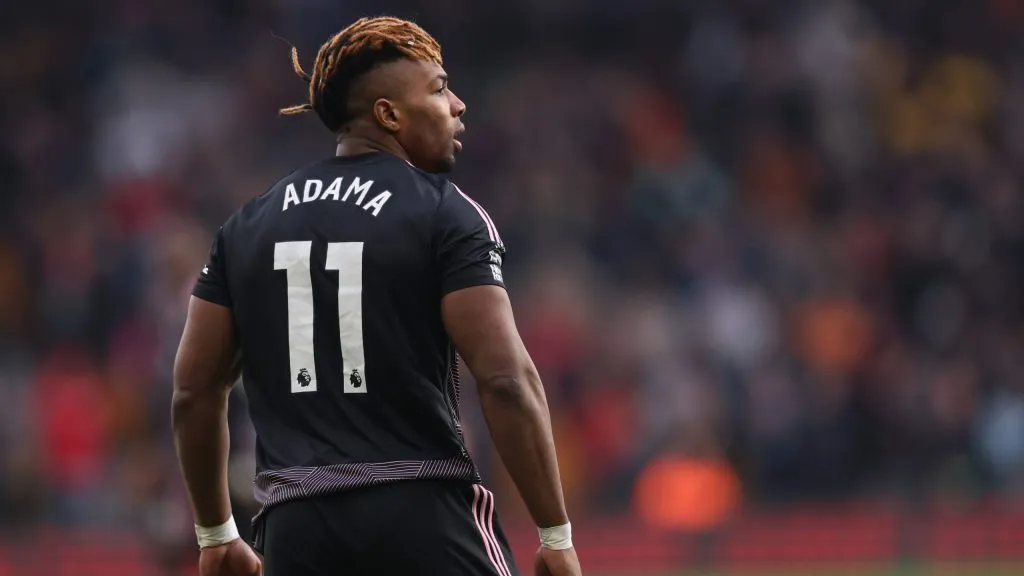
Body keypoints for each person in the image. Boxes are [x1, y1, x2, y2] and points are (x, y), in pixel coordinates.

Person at [171, 15, 582, 576]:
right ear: (388, 114)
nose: (458, 104)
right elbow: (508, 381)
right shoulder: (445, 212)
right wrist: (554, 534)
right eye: (438, 89)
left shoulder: (246, 226)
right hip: (423, 513)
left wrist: (216, 535)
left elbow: (193, 391)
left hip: (296, 530)